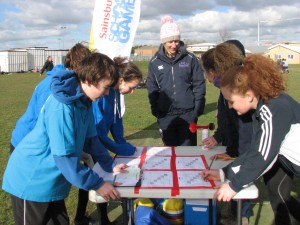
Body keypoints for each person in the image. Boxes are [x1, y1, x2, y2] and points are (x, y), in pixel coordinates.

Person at [2, 52, 128, 225]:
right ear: (89, 81)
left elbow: (92, 141)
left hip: (52, 185)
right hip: (31, 182)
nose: (107, 93)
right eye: (105, 87)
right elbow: (65, 158)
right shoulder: (62, 107)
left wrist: (110, 166)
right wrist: (98, 184)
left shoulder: (86, 102)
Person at [202, 54, 300, 225]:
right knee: (279, 195)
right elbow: (255, 150)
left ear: (248, 95)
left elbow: (262, 156)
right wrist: (223, 173)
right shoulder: (262, 108)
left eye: (231, 101)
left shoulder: (273, 109)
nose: (230, 107)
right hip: (288, 161)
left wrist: (234, 186)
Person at [76, 57, 143, 225]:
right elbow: (97, 132)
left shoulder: (114, 93)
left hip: (99, 143)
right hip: (91, 144)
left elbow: (116, 122)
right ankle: (103, 219)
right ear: (121, 80)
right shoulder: (103, 94)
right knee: (99, 179)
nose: (132, 91)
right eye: (131, 87)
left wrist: (122, 144)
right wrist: (117, 148)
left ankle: (79, 217)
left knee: (90, 178)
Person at [200, 41, 253, 225]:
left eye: (207, 73)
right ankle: (232, 211)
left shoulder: (236, 89)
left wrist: (241, 156)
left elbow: (246, 130)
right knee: (230, 179)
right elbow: (225, 119)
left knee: (242, 184)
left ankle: (242, 216)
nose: (208, 78)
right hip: (233, 145)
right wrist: (218, 136)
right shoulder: (224, 88)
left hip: (244, 148)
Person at [10, 43, 90, 153]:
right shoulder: (53, 86)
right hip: (26, 143)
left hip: (44, 144)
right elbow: (45, 121)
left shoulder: (70, 84)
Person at [147, 15, 206, 146]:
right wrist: (156, 110)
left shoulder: (190, 59)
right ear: (163, 42)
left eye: (176, 41)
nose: (174, 45)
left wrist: (197, 110)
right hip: (165, 116)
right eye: (170, 41)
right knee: (170, 154)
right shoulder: (154, 62)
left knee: (188, 153)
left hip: (188, 115)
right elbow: (152, 88)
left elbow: (199, 84)